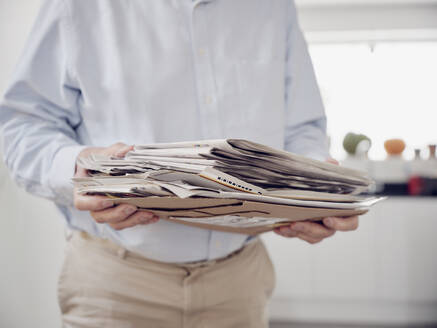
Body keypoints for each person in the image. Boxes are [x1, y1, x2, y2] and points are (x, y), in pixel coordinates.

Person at [0, 0, 359, 327]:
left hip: (241, 285)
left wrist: (314, 191)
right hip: (115, 287)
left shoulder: (273, 6)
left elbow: (301, 128)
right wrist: (77, 170)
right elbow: (24, 125)